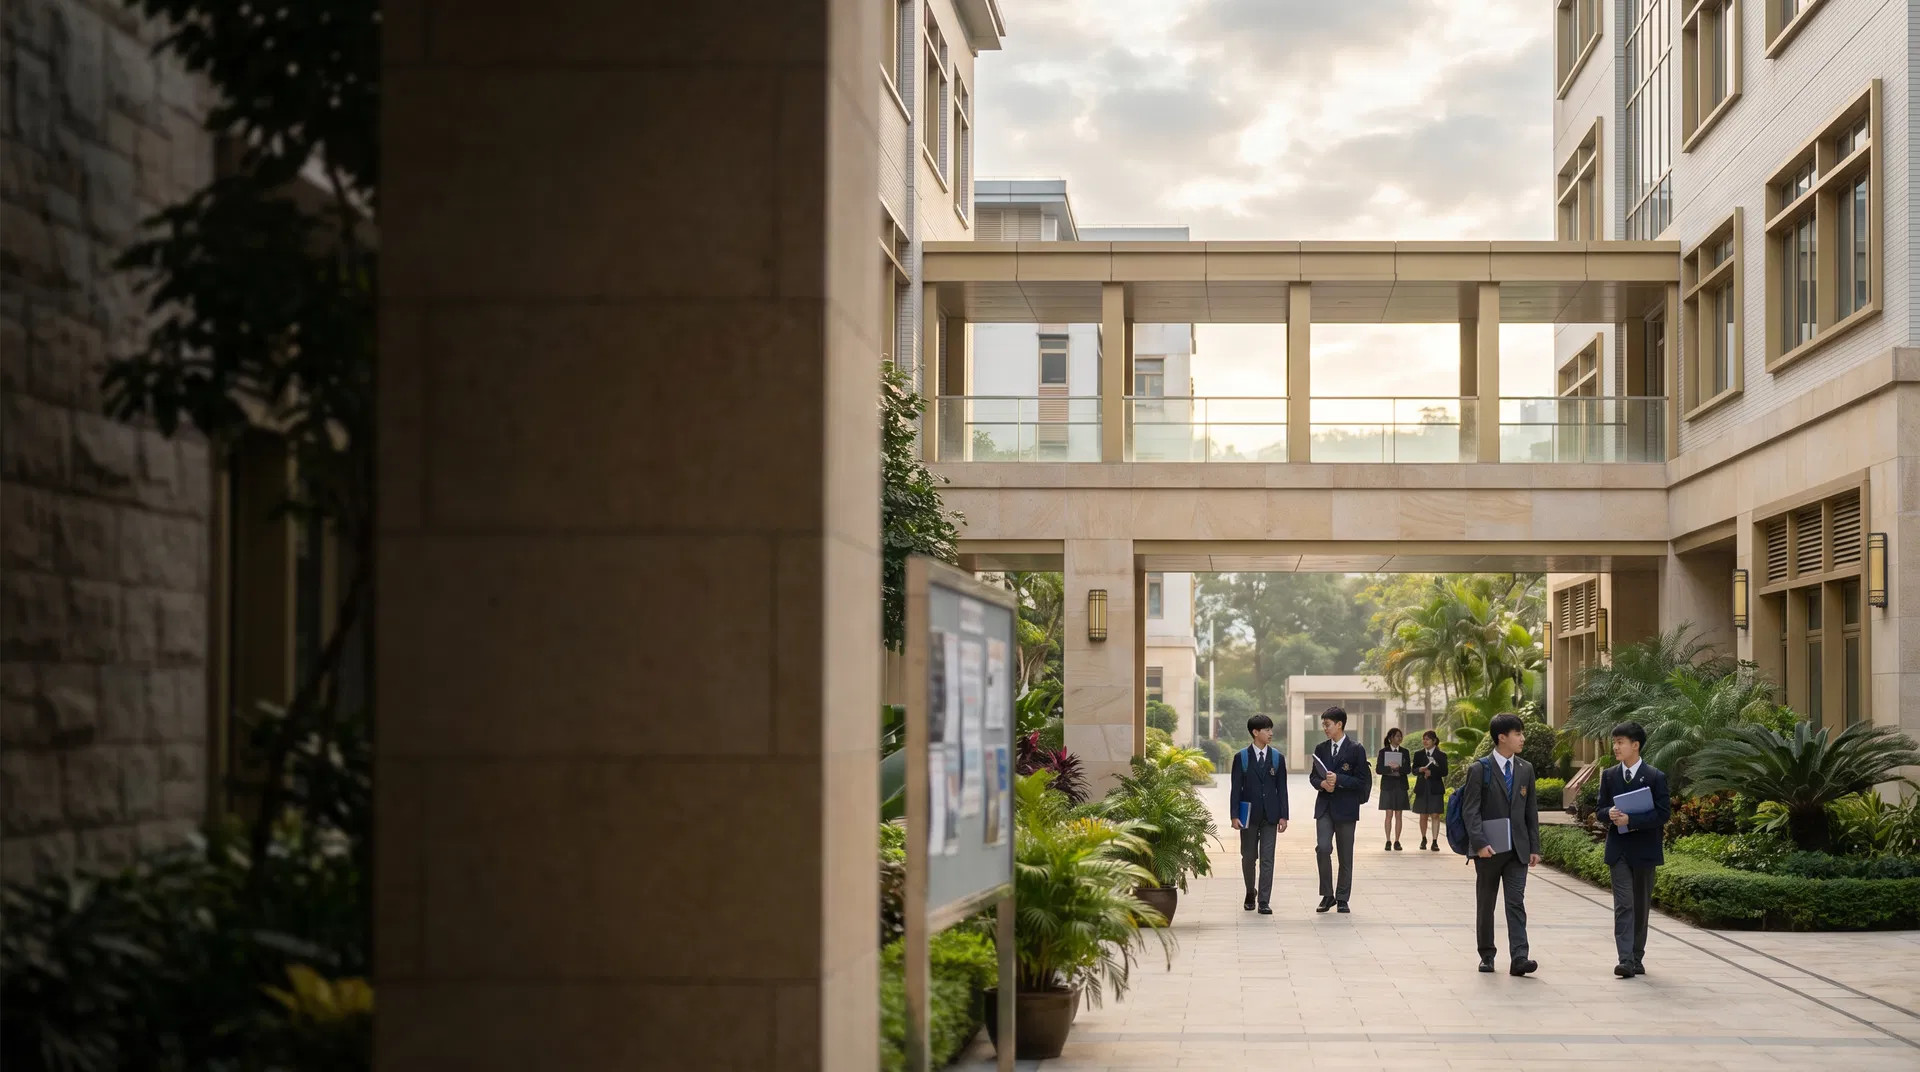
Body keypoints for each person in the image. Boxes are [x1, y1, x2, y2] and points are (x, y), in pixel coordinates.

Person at [1461, 712, 1540, 976]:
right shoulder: (1479, 769)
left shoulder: (1525, 769)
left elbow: (1530, 811)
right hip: (1489, 851)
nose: (1523, 738)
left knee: (1516, 902)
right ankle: (1487, 955)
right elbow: (1470, 811)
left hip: (1518, 850)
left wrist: (1534, 847)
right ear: (1502, 737)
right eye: (1518, 734)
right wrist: (1479, 843)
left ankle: (1520, 957)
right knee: (1486, 903)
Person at [1599, 720, 1670, 978]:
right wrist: (1609, 813)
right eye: (1614, 742)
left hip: (1644, 850)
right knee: (1624, 904)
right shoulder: (1609, 776)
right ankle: (1625, 959)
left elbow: (1663, 814)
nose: (1616, 747)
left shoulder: (1654, 777)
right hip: (1618, 849)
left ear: (1636, 745)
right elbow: (1599, 810)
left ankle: (1637, 956)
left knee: (1640, 905)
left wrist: (1632, 820)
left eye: (1620, 742)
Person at [1228, 714, 1290, 914]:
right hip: (1248, 816)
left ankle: (1264, 900)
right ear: (1255, 732)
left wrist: (1284, 815)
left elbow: (1282, 789)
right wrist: (1234, 815)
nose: (1271, 733)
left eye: (1271, 729)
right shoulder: (1242, 758)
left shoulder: (1277, 758)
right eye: (1266, 730)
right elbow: (1236, 789)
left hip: (1271, 816)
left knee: (1267, 858)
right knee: (1248, 856)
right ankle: (1250, 891)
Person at [1311, 706, 1370, 914]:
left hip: (1346, 808)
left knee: (1345, 855)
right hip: (1325, 807)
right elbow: (1313, 777)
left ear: (1339, 724)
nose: (1325, 728)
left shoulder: (1356, 749)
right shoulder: (1321, 748)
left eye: (1328, 725)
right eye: (1323, 725)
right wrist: (1322, 784)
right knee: (1323, 848)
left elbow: (1361, 781)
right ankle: (1327, 895)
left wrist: (1339, 779)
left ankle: (1343, 897)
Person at [1411, 730, 1448, 851]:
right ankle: (1423, 838)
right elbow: (1414, 770)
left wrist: (1432, 773)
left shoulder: (1441, 755)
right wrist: (1420, 770)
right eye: (1424, 739)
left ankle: (1435, 841)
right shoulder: (1418, 754)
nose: (1425, 741)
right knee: (1423, 815)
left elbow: (1444, 771)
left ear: (1434, 741)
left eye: (1427, 739)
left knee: (1435, 815)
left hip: (1435, 787)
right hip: (1422, 787)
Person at [1376, 727, 1411, 851]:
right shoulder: (1383, 752)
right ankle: (1388, 840)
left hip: (1401, 785)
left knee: (1399, 814)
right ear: (1391, 738)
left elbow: (1408, 769)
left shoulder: (1405, 752)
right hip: (1388, 786)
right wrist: (1390, 768)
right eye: (1397, 736)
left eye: (1400, 736)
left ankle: (1397, 840)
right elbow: (1378, 769)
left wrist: (1398, 768)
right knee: (1389, 814)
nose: (1399, 738)